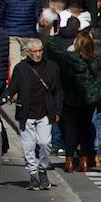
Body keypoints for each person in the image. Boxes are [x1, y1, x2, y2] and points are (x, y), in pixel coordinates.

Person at [41, 17, 101, 173]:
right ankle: (84, 159)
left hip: (71, 98)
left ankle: (69, 160)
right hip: (89, 99)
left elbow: (52, 49)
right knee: (86, 128)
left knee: (70, 129)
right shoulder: (95, 60)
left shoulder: (68, 58)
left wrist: (50, 33)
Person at [5, 37, 61, 190]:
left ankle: (42, 169)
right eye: (35, 51)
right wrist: (5, 96)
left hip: (45, 111)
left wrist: (57, 110)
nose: (38, 54)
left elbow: (58, 90)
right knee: (28, 145)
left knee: (44, 143)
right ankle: (33, 174)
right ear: (28, 52)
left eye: (40, 50)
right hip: (27, 112)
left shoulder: (51, 67)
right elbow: (13, 87)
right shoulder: (21, 68)